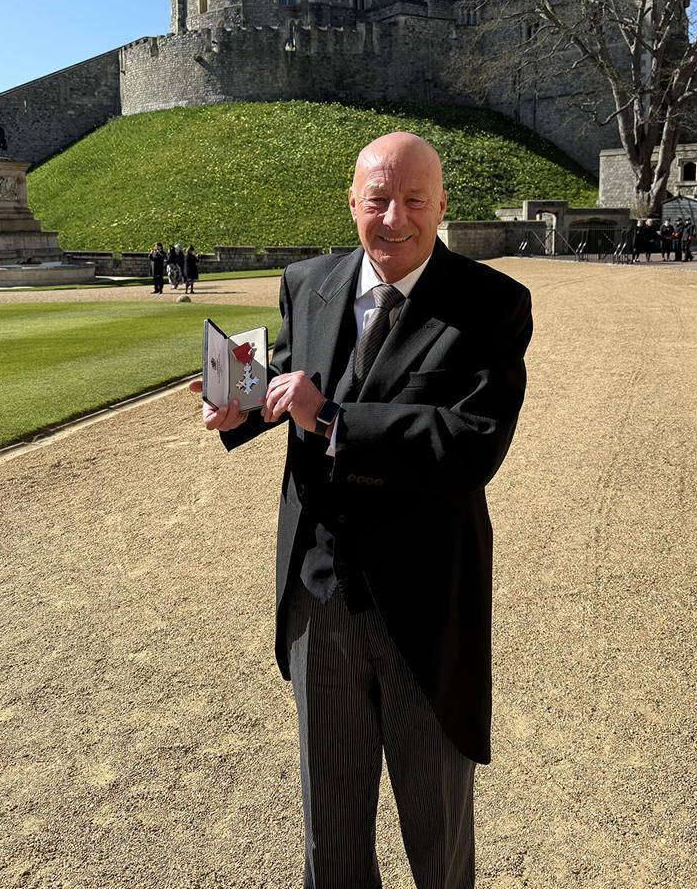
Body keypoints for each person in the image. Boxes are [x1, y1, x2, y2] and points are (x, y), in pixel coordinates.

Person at [190, 132, 532, 886]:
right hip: (320, 599)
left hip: (423, 606)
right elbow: (287, 374)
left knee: (437, 842)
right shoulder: (308, 281)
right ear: (352, 203)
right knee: (330, 837)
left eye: (414, 200)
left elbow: (471, 444)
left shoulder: (491, 305)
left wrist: (337, 420)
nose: (395, 218)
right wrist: (238, 407)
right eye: (377, 199)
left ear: (443, 206)